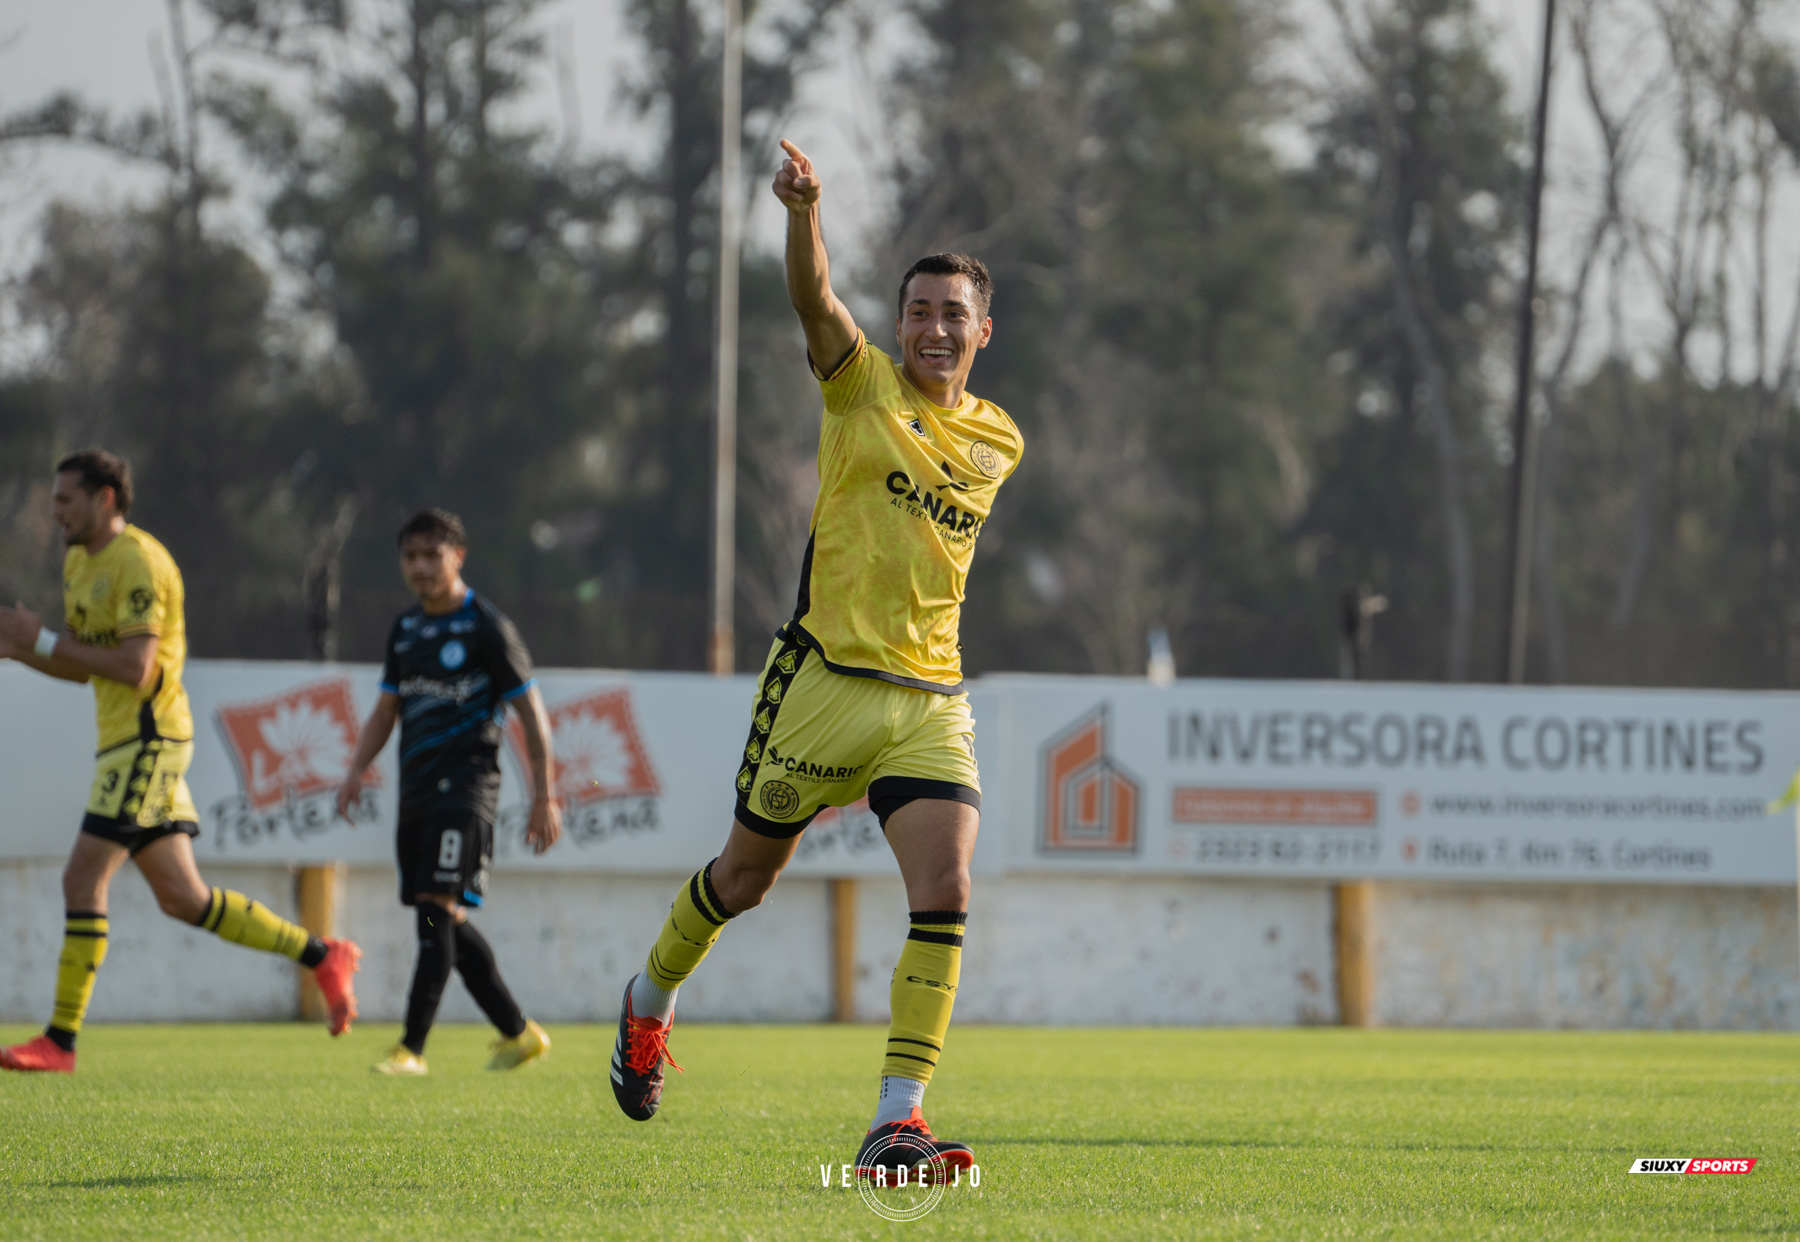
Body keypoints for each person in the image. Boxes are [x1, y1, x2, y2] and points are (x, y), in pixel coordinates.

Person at [608, 141, 1023, 1182]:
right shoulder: (860, 386)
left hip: (930, 697)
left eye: (953, 314)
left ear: (983, 330)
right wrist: (803, 215)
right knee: (744, 881)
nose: (934, 328)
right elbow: (815, 301)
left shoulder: (1001, 441)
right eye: (918, 312)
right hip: (823, 684)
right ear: (900, 325)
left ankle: (896, 1122)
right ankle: (648, 1003)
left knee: (948, 885)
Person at [0, 450, 361, 1073]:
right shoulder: (79, 563)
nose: (55, 511)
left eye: (65, 499)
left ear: (105, 499)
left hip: (150, 738)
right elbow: (84, 668)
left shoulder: (140, 562)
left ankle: (60, 1042)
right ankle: (323, 954)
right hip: (125, 742)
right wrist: (20, 650)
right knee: (184, 899)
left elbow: (137, 671)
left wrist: (40, 638)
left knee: (82, 879)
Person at [335, 508, 562, 1076]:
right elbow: (386, 709)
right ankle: (518, 1031)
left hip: (465, 791)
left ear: (457, 557)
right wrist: (356, 769)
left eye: (431, 555)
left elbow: (531, 713)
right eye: (410, 556)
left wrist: (544, 795)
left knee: (434, 913)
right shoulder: (406, 629)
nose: (420, 567)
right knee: (443, 920)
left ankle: (411, 1049)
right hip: (416, 793)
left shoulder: (486, 626)